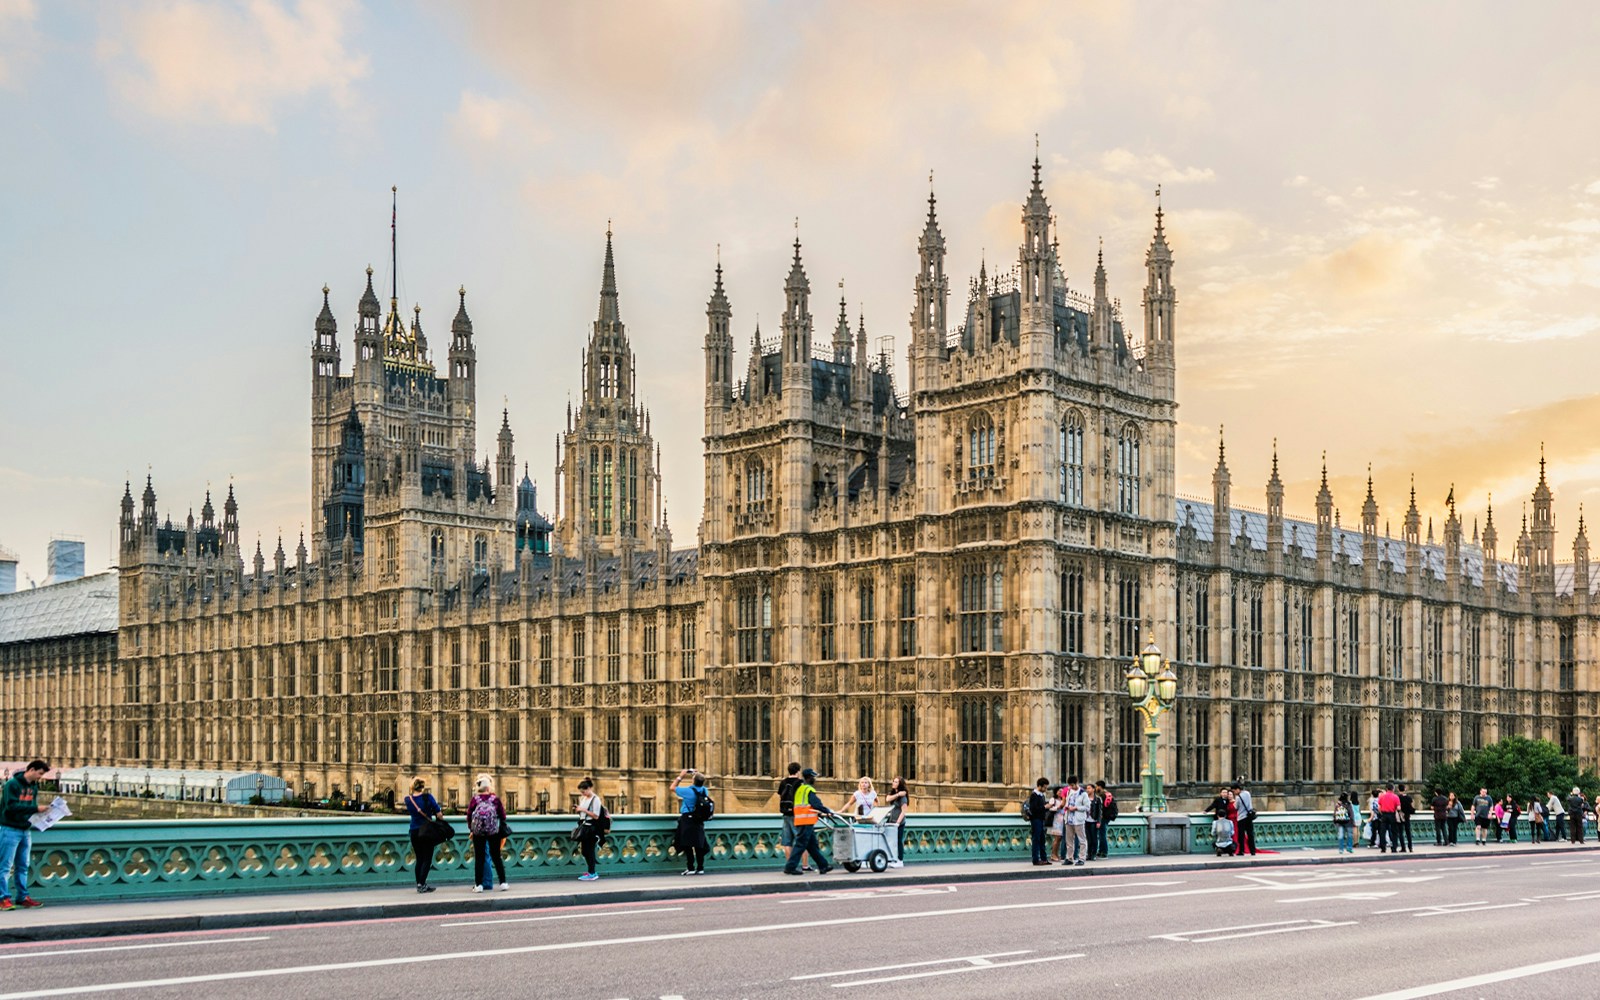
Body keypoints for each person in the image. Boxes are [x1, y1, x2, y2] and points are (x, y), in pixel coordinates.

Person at [0, 760, 51, 911]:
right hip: (9, 829)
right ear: (32, 770)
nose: (40, 777)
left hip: (25, 830)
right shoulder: (12, 785)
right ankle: (3, 898)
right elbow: (11, 806)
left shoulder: (33, 787)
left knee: (23, 866)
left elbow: (29, 809)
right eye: (40, 774)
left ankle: (23, 897)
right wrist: (36, 808)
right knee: (5, 866)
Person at [783, 768, 835, 875]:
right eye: (814, 777)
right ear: (810, 777)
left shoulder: (800, 789)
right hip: (805, 820)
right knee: (800, 844)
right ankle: (790, 867)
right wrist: (827, 811)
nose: (815, 779)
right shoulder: (808, 789)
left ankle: (823, 865)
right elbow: (816, 804)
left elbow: (805, 805)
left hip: (801, 819)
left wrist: (819, 812)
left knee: (812, 845)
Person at [466, 775, 508, 892]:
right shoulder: (495, 800)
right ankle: (503, 883)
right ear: (489, 788)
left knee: (479, 858)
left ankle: (479, 885)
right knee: (496, 857)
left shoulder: (475, 800)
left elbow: (469, 816)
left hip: (478, 833)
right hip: (493, 832)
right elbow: (503, 816)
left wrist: (472, 829)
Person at [404, 778, 443, 894]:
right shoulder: (428, 797)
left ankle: (419, 884)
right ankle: (422, 884)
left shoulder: (408, 799)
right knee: (427, 858)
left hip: (414, 831)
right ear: (423, 786)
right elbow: (439, 814)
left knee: (419, 859)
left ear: (412, 787)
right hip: (427, 831)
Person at [670, 769, 711, 875]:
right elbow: (699, 784)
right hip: (699, 819)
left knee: (688, 844)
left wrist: (681, 776)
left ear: (693, 781)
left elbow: (672, 787)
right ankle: (700, 868)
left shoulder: (688, 791)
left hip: (687, 819)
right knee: (699, 844)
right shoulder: (704, 790)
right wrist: (696, 776)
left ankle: (691, 868)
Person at [575, 778, 605, 881]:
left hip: (591, 827)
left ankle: (592, 873)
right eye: (581, 792)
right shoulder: (583, 798)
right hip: (584, 826)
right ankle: (590, 871)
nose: (583, 793)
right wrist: (579, 810)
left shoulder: (595, 799)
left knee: (590, 850)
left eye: (584, 791)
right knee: (584, 851)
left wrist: (583, 810)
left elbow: (596, 816)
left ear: (589, 788)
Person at [777, 763, 803, 869]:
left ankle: (789, 865)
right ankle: (804, 865)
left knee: (787, 842)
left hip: (785, 814)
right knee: (801, 840)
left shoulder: (783, 782)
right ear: (798, 771)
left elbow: (779, 794)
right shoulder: (800, 783)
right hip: (797, 814)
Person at [1062, 777, 1091, 866]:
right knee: (1069, 840)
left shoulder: (1083, 794)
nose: (1071, 787)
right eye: (1069, 785)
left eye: (1072, 785)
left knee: (1082, 840)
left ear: (1077, 783)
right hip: (1069, 819)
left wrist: (1076, 808)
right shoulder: (1069, 792)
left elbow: (1087, 807)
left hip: (1078, 820)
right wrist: (1066, 807)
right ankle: (1069, 858)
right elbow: (1067, 803)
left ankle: (1082, 858)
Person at [883, 777, 909, 868]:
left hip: (899, 823)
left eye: (896, 782)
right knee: (891, 841)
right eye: (893, 781)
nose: (893, 783)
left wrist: (897, 823)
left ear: (900, 784)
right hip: (891, 821)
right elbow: (887, 799)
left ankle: (900, 860)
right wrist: (898, 794)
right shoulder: (896, 794)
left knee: (898, 841)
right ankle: (893, 859)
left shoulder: (903, 798)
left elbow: (904, 811)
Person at [1027, 778, 1051, 866]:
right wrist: (1045, 807)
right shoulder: (1034, 795)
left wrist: (1047, 807)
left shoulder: (1041, 795)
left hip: (1041, 819)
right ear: (1040, 786)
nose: (1045, 789)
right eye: (1044, 787)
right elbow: (1034, 809)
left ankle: (1044, 858)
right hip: (1035, 820)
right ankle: (1035, 859)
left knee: (1042, 840)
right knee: (1036, 839)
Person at [1232, 781, 1257, 856]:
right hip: (1249, 817)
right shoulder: (1247, 793)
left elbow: (1236, 807)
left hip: (1241, 818)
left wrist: (1234, 802)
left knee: (1241, 836)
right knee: (1250, 835)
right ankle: (1253, 851)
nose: (1234, 793)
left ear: (1237, 789)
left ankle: (1241, 851)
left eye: (1234, 791)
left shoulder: (1237, 797)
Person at [1376, 784, 1403, 854]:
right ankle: (1394, 848)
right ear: (1393, 789)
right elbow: (1398, 808)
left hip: (1384, 815)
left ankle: (1383, 848)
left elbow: (1378, 807)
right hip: (1392, 815)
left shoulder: (1382, 796)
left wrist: (1381, 813)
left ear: (1387, 789)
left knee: (1382, 832)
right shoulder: (1395, 797)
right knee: (1394, 832)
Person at [1095, 781, 1117, 860]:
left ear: (1100, 787)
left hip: (1102, 817)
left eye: (1096, 786)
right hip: (1107, 817)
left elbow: (1100, 808)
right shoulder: (1108, 794)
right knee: (1102, 835)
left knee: (1102, 835)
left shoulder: (1101, 795)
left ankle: (1104, 852)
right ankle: (1101, 851)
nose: (1096, 788)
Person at [1046, 785, 1066, 862]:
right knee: (1057, 838)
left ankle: (1056, 854)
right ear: (1056, 792)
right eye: (1059, 791)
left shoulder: (1063, 800)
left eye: (1062, 791)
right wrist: (1058, 807)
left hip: (1062, 820)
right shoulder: (1053, 799)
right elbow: (1050, 808)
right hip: (1055, 820)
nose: (1061, 793)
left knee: (1059, 838)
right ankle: (1053, 854)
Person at [1085, 781, 1103, 861]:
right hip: (1086, 821)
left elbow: (1099, 811)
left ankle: (1093, 854)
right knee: (1088, 839)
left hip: (1094, 821)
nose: (1087, 790)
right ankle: (1089, 854)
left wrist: (1099, 821)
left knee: (1094, 838)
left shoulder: (1097, 799)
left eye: (1089, 788)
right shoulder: (1085, 798)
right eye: (1087, 788)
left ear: (1093, 789)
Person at [1397, 784, 1415, 853]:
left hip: (1400, 816)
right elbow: (1412, 807)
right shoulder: (1409, 798)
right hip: (1407, 816)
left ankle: (1403, 848)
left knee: (1400, 832)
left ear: (1398, 789)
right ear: (1405, 789)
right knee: (1408, 832)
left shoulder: (1398, 798)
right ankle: (1410, 847)